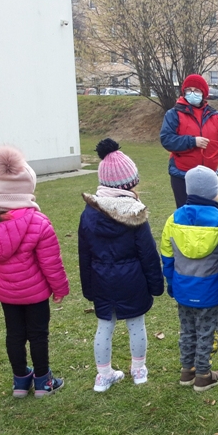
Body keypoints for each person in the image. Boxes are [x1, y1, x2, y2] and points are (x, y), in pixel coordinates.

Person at [0, 146, 69, 397]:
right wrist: (59, 289)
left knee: (14, 334)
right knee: (38, 335)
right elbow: (51, 263)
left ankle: (21, 382)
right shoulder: (39, 222)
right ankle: (43, 382)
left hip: (7, 294)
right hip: (36, 294)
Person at [79, 139, 165, 392]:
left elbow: (84, 255)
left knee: (104, 326)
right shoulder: (135, 213)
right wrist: (155, 284)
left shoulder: (89, 212)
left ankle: (103, 375)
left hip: (101, 279)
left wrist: (89, 287)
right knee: (136, 324)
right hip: (132, 280)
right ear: (130, 182)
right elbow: (148, 253)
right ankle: (138, 369)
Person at [160, 166, 218, 392]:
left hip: (183, 287)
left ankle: (187, 371)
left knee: (187, 329)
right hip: (210, 290)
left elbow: (167, 256)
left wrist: (171, 283)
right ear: (215, 192)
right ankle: (203, 375)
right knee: (208, 332)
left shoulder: (173, 219)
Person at [160, 74, 218, 208]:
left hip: (209, 174)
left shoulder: (215, 115)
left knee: (209, 213)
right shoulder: (174, 114)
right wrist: (192, 141)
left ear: (203, 93)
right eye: (189, 90)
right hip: (183, 174)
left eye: (196, 90)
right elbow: (167, 139)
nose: (192, 93)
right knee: (187, 213)